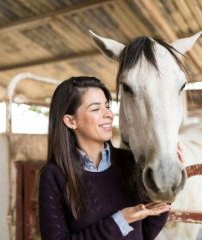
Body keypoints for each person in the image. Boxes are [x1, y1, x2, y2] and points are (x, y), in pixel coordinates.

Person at [39, 76, 184, 240]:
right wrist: (119, 221)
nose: (108, 114)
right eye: (95, 109)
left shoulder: (129, 162)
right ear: (71, 121)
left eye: (107, 106)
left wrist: (168, 180)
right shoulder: (53, 174)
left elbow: (145, 233)